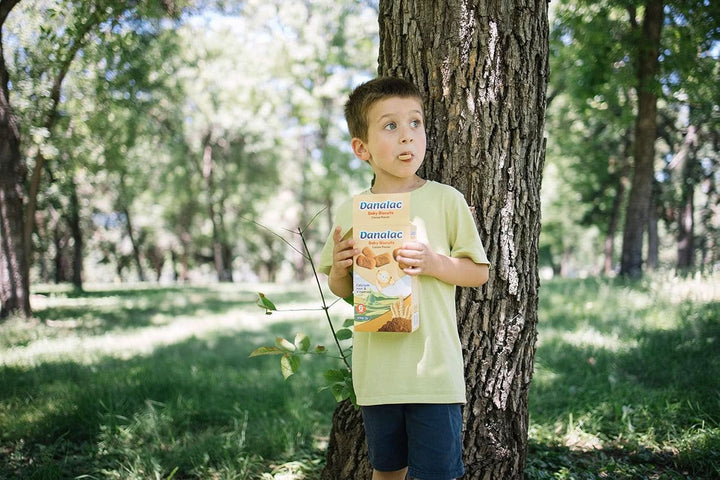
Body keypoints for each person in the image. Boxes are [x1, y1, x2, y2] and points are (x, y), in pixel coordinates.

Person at [318, 77, 490, 480]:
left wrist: (434, 263)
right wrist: (342, 270)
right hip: (378, 374)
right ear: (361, 148)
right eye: (390, 126)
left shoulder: (446, 199)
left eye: (415, 123)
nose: (407, 136)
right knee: (388, 471)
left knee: (437, 474)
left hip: (434, 372)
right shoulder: (352, 210)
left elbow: (478, 273)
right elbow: (344, 291)